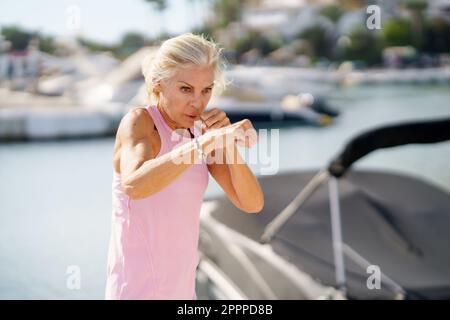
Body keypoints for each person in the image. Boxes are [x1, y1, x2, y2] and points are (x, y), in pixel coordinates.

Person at [105, 33, 264, 300]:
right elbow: (135, 184)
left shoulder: (199, 131)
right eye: (185, 89)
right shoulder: (141, 122)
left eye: (206, 90)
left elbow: (252, 203)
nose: (197, 102)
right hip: (134, 292)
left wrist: (226, 143)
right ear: (159, 85)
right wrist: (204, 144)